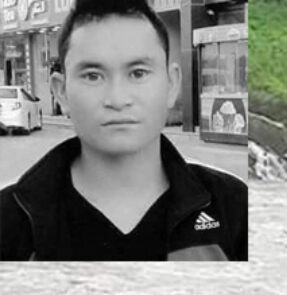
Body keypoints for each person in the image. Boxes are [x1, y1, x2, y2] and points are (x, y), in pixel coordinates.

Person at [0, 0, 247, 261]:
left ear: (172, 84)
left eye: (138, 73)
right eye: (93, 76)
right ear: (61, 92)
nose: (117, 99)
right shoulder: (11, 219)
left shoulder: (233, 208)